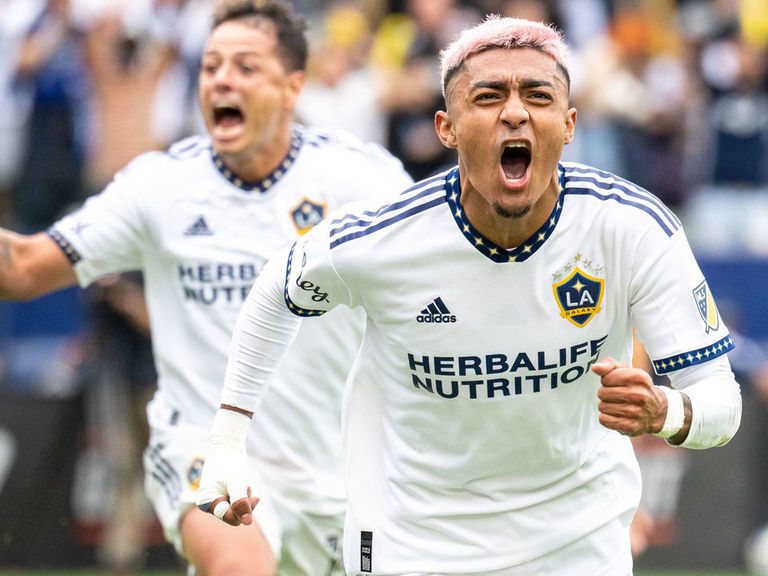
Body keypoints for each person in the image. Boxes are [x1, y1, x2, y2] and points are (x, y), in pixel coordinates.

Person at [197, 15, 743, 576]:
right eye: (487, 96)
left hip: (576, 542)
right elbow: (275, 293)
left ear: (569, 123)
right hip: (412, 542)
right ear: (446, 127)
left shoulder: (632, 227)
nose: (514, 112)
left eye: (538, 95)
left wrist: (665, 410)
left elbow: (722, 406)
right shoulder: (383, 238)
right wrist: (227, 441)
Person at [0, 1, 412, 574]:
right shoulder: (160, 187)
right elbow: (20, 268)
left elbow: (439, 291)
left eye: (245, 67)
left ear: (293, 88)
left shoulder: (361, 181)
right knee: (237, 567)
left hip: (340, 470)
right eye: (211, 65)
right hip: (209, 452)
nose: (222, 78)